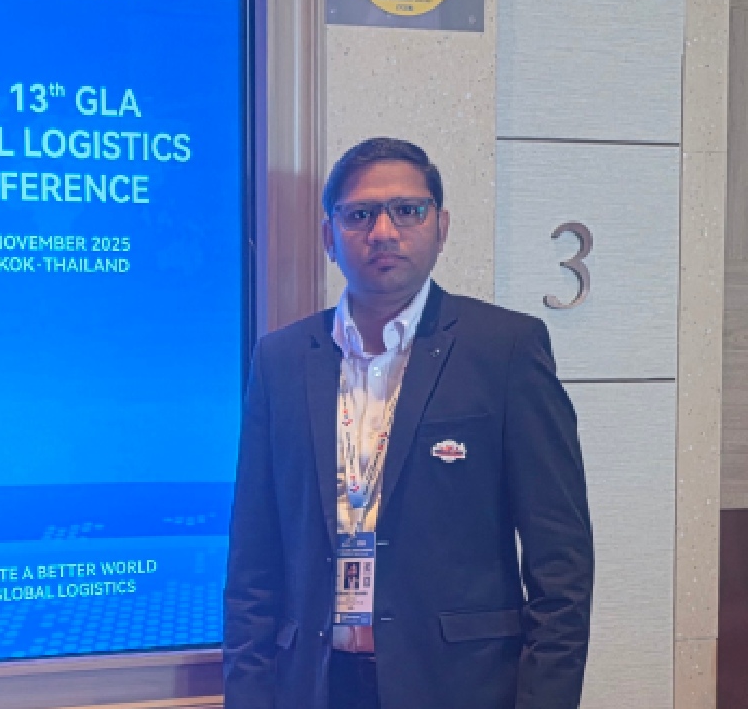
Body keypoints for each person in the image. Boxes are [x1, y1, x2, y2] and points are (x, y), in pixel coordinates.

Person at [223, 138, 594, 709]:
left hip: (461, 686)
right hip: (315, 685)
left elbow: (561, 561)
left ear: (440, 228)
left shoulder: (504, 350)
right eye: (359, 214)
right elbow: (253, 557)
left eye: (407, 210)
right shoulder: (282, 360)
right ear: (329, 237)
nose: (383, 231)